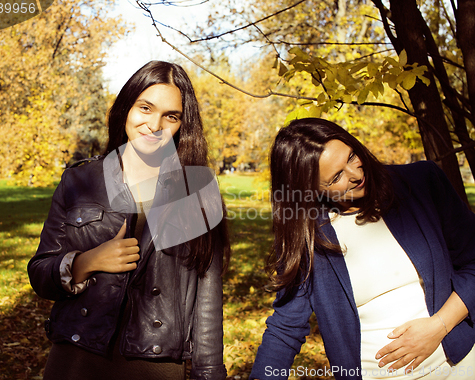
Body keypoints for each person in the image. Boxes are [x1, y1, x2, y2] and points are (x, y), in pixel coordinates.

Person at [28, 60, 230, 380]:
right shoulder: (79, 181)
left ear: (182, 124)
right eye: (145, 108)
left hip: (154, 367)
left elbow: (207, 299)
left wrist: (210, 374)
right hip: (76, 358)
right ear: (126, 108)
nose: (155, 124)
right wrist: (85, 262)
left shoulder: (198, 191)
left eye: (171, 116)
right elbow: (40, 273)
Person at [250, 118, 475, 380]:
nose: (356, 174)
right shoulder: (307, 236)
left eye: (352, 156)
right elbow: (285, 328)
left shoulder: (421, 183)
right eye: (336, 177)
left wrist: (439, 326)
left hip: (463, 366)